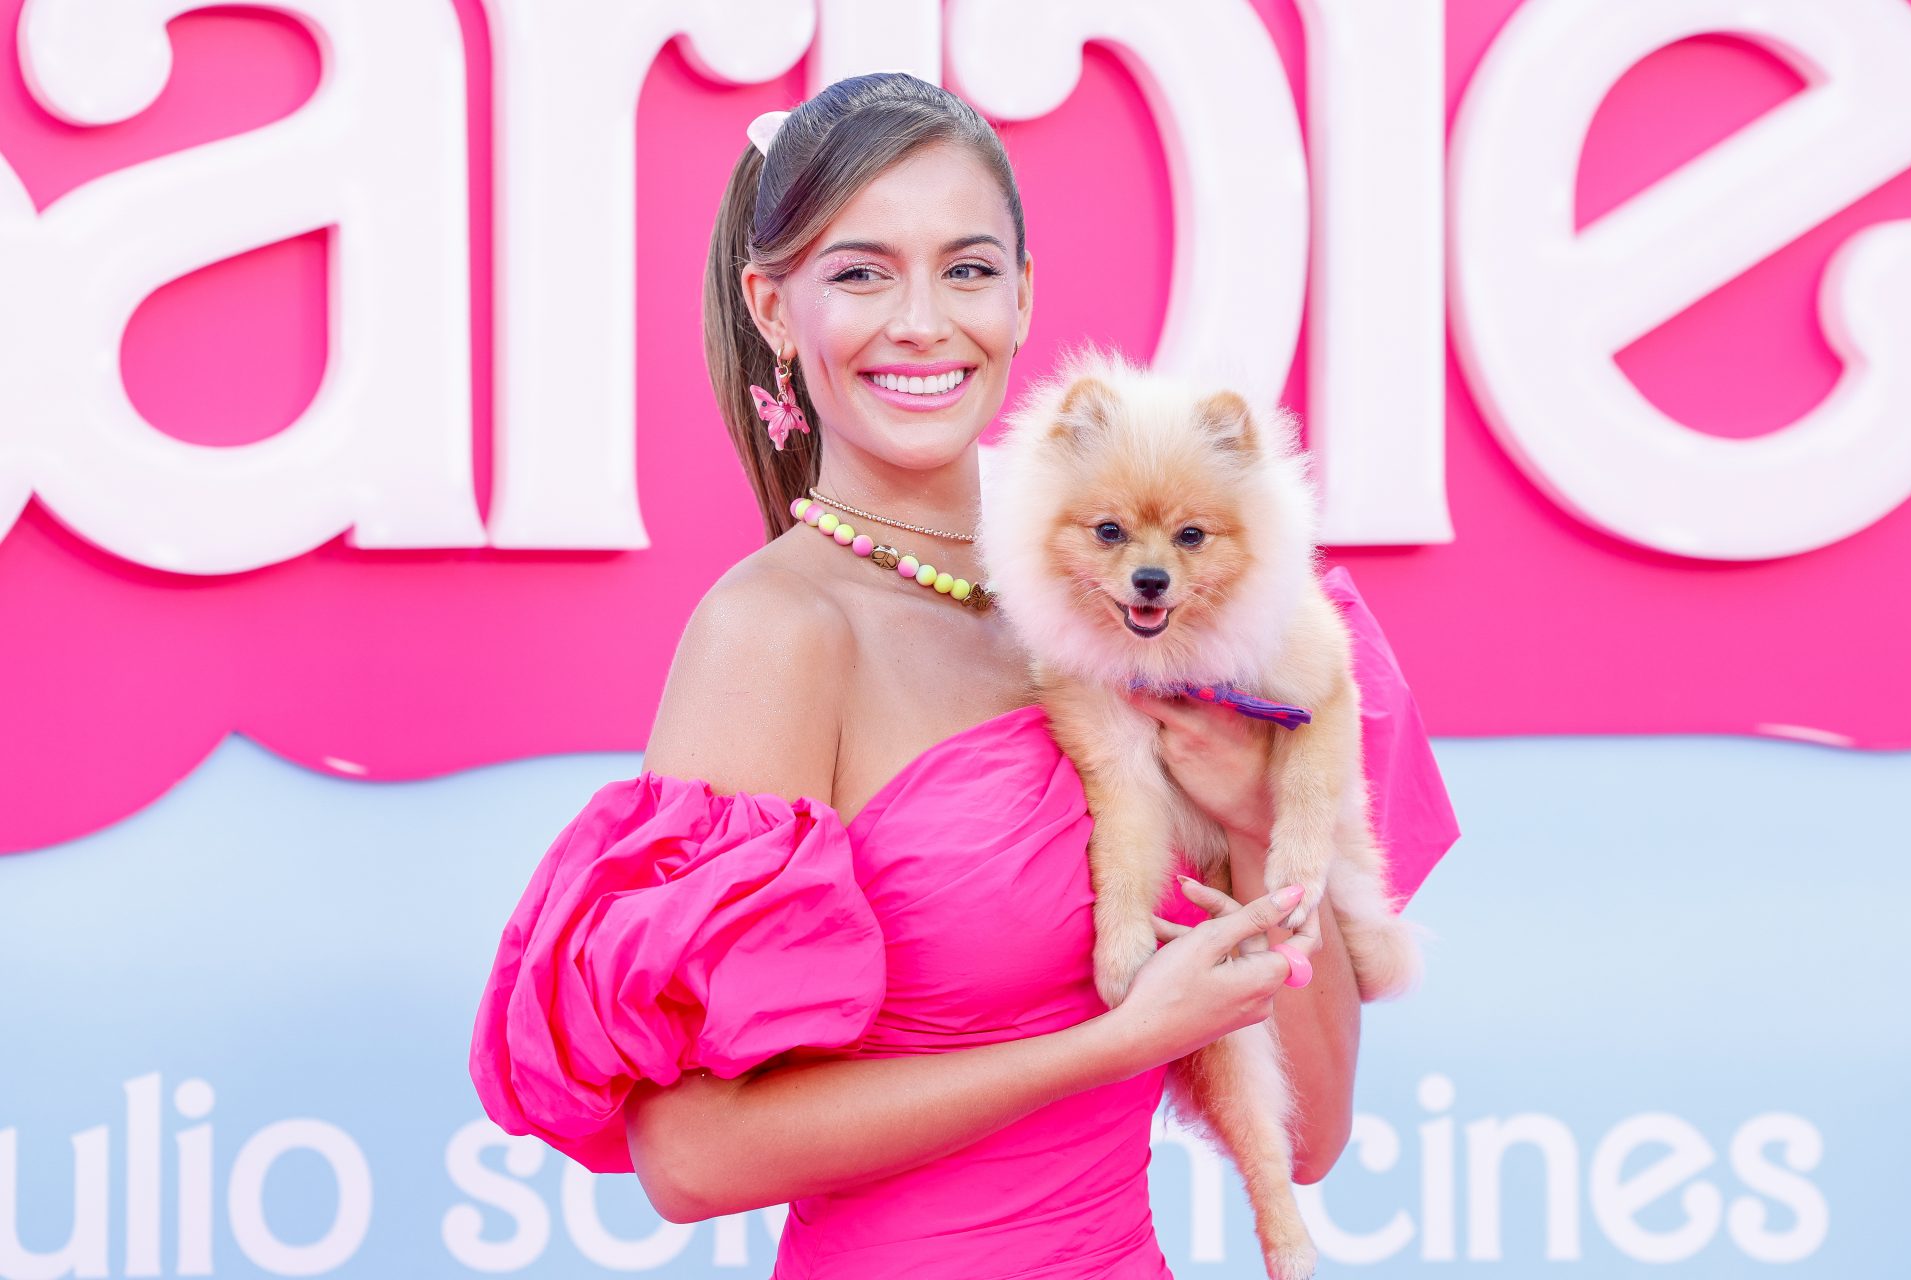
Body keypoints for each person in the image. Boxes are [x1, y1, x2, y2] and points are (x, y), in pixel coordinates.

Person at [470, 71, 1449, 1278]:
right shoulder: (778, 634)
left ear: (1025, 296)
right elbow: (689, 1154)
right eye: (862, 272)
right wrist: (1110, 1043)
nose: (922, 320)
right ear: (774, 307)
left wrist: (1257, 811)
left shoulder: (1148, 601)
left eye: (968, 269)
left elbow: (1313, 1134)